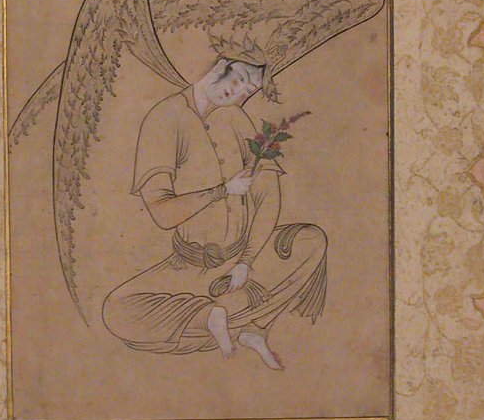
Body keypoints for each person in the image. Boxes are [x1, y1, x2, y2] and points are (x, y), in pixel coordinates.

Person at [101, 55, 327, 367]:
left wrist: (246, 261)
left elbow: (267, 194)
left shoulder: (234, 117)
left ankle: (246, 326)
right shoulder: (165, 117)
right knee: (117, 310)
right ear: (221, 65)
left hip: (241, 262)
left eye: (248, 90)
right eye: (240, 78)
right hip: (189, 266)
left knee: (311, 240)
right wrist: (221, 191)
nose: (239, 93)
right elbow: (162, 213)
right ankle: (212, 316)